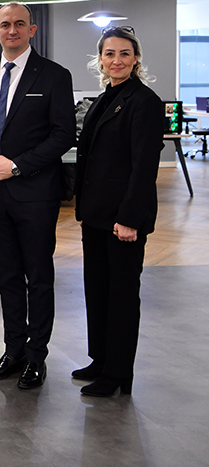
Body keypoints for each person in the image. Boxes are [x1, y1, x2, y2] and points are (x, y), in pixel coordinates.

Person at [0, 2, 76, 390]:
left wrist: (17, 166)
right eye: (5, 24)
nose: (12, 30)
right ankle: (13, 350)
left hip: (35, 194)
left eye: (20, 24)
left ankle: (36, 356)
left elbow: (64, 135)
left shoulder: (54, 75)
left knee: (39, 278)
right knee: (7, 277)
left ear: (32, 30)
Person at [74, 26, 162, 397]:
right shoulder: (103, 99)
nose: (117, 60)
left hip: (122, 219)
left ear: (136, 58)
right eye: (109, 54)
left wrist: (128, 218)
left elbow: (144, 167)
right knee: (97, 290)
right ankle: (101, 360)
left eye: (124, 53)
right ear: (100, 59)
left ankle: (118, 373)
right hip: (96, 215)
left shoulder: (144, 101)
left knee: (122, 296)